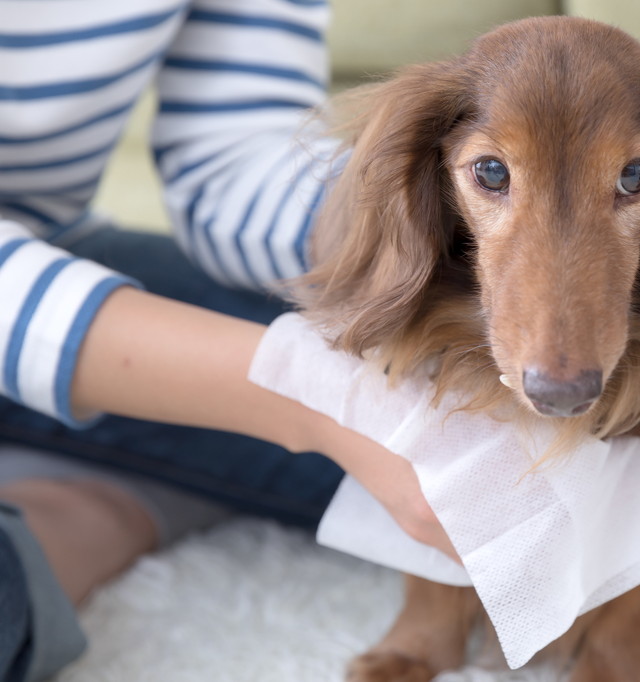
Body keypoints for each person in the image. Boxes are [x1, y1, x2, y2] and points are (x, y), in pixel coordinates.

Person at [0, 3, 454, 680]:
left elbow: (230, 157)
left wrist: (425, 235)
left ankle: (101, 482)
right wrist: (315, 403)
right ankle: (100, 500)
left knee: (497, 421)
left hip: (47, 251)